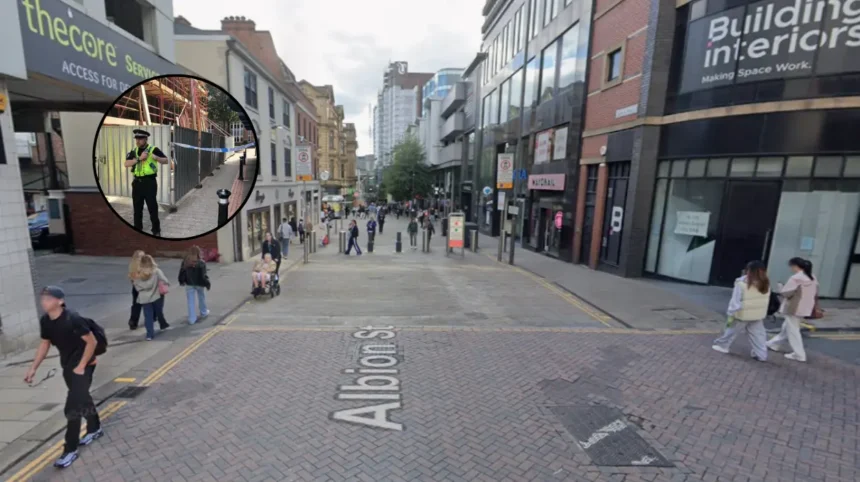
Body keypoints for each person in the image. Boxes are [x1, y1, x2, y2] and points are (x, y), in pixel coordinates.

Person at [25, 286, 103, 468]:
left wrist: (83, 366)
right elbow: (45, 344)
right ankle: (95, 428)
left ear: (60, 301)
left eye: (48, 298)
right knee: (82, 398)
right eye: (42, 298)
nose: (43, 302)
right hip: (68, 367)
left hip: (85, 366)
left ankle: (70, 450)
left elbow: (92, 342)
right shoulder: (46, 321)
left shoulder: (73, 319)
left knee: (72, 408)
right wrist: (33, 368)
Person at [712, 261, 771, 361]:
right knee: (758, 335)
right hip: (757, 315)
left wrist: (731, 313)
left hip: (742, 313)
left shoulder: (741, 284)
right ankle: (761, 354)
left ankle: (722, 346)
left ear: (749, 270)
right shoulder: (766, 283)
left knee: (731, 331)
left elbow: (735, 301)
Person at [767, 258, 818, 362]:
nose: (791, 269)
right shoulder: (813, 277)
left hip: (793, 307)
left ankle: (799, 354)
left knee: (793, 331)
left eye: (791, 266)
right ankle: (773, 344)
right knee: (787, 327)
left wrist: (780, 287)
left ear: (795, 266)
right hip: (806, 307)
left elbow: (786, 293)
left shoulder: (796, 278)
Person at [123, 129, 169, 236]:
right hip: (137, 183)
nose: (138, 141)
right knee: (137, 208)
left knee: (152, 208)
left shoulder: (153, 149)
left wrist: (156, 157)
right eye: (136, 139)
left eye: (140, 139)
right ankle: (138, 229)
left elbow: (166, 161)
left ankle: (156, 230)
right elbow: (126, 164)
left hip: (149, 183)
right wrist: (139, 158)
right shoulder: (133, 151)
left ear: (145, 139)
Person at [131, 255, 170, 341]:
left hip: (144, 298)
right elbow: (165, 280)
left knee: (148, 316)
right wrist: (167, 284)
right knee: (159, 311)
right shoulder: (156, 271)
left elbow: (136, 285)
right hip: (156, 295)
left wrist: (142, 288)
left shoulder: (138, 273)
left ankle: (149, 334)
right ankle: (162, 324)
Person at [178, 246, 210, 325]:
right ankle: (203, 312)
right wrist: (207, 283)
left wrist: (181, 281)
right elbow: (203, 276)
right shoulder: (201, 263)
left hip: (189, 284)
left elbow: (181, 273)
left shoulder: (185, 262)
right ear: (199, 253)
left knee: (190, 301)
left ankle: (192, 318)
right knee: (201, 297)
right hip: (199, 283)